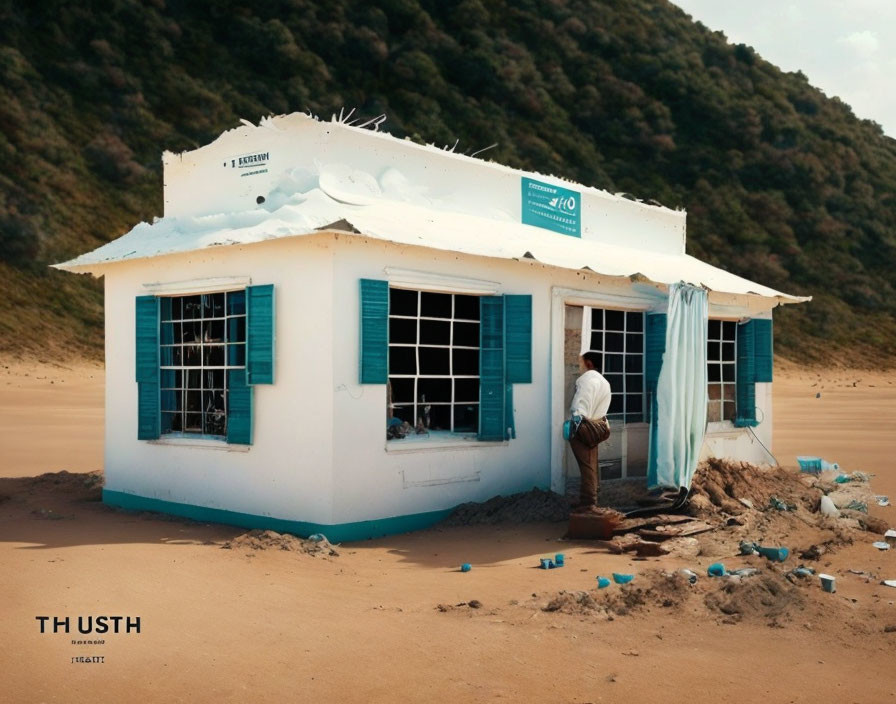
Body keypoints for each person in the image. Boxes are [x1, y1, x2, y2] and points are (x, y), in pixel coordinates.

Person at [568, 351, 612, 510]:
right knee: (591, 463)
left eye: (581, 362)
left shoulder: (586, 380)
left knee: (586, 466)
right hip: (598, 427)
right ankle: (588, 499)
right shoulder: (604, 382)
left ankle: (588, 503)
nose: (579, 365)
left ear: (589, 363)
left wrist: (575, 426)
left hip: (584, 427)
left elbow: (580, 406)